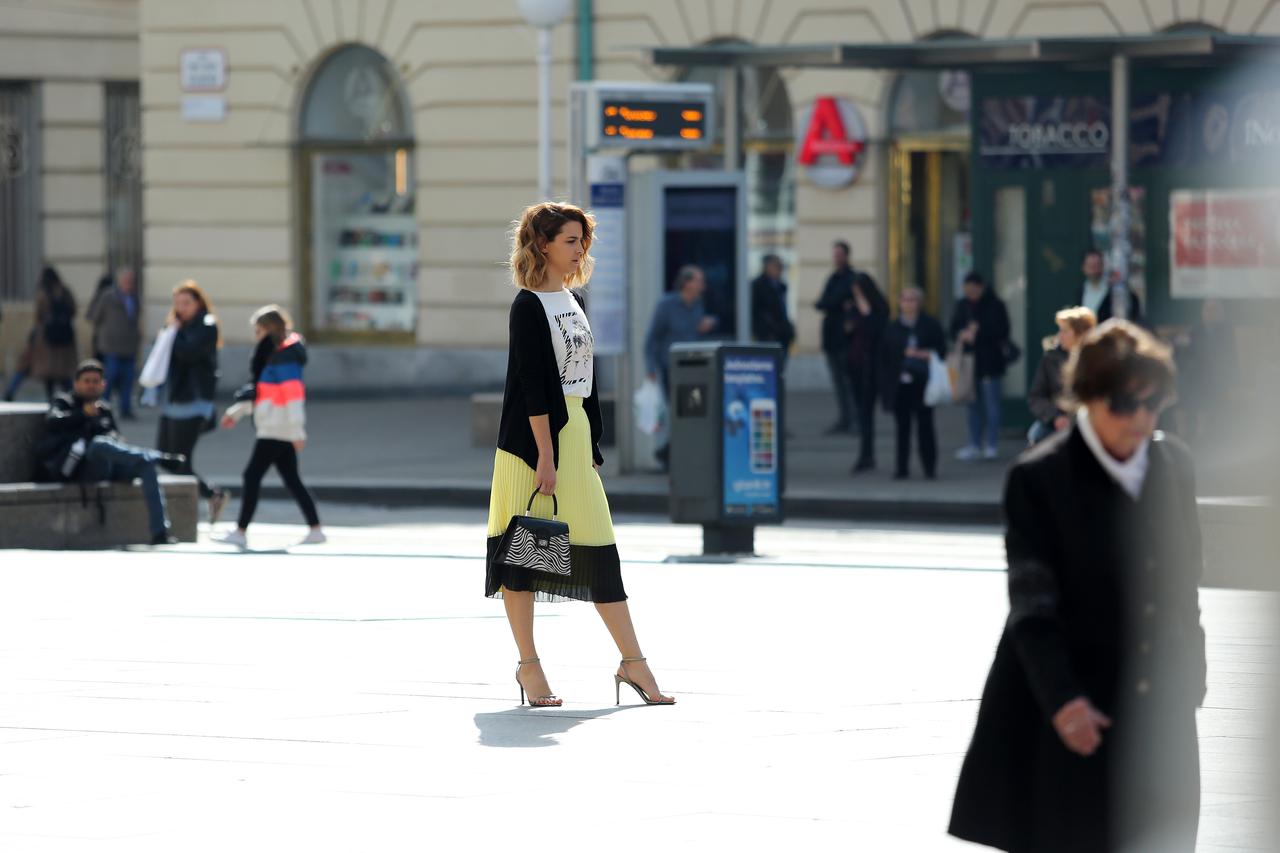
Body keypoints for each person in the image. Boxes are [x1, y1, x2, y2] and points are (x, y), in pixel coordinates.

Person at [950, 320, 1205, 852]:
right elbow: (1032, 605)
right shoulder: (1039, 478)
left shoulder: (1173, 465)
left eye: (1152, 403)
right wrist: (1065, 702)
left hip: (1156, 702)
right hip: (1070, 700)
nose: (1140, 418)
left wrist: (1190, 676)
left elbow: (1185, 584)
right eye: (1123, 405)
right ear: (1087, 399)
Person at [485, 201, 674, 708]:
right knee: (524, 554)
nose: (579, 249)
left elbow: (585, 380)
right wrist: (546, 456)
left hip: (572, 436)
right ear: (543, 244)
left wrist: (589, 444)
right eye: (571, 240)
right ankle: (530, 667)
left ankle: (633, 661)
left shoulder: (573, 300)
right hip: (533, 444)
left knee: (598, 552)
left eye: (582, 240)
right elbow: (533, 388)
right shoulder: (528, 306)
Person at [35, 360, 183, 546]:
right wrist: (82, 414)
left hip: (108, 466)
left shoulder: (104, 408)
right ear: (76, 383)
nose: (91, 385)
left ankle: (160, 533)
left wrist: (115, 440)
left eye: (95, 381)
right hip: (77, 469)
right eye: (86, 381)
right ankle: (158, 456)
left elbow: (116, 436)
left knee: (146, 466)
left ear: (103, 384)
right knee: (97, 444)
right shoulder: (65, 402)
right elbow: (52, 421)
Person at [215, 305, 324, 548]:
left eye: (258, 330)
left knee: (251, 476)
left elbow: (293, 397)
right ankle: (315, 529)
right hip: (277, 425)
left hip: (277, 428)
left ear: (268, 329)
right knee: (292, 479)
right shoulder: (276, 355)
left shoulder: (283, 357)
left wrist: (297, 432)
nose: (256, 336)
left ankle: (241, 531)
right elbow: (264, 392)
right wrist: (237, 412)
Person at [153, 280, 228, 523]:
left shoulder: (206, 325)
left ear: (199, 303)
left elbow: (189, 352)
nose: (181, 308)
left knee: (180, 460)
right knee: (165, 456)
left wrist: (171, 334)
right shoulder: (177, 327)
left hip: (193, 401)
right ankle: (210, 495)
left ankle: (201, 501)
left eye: (186, 303)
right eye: (177, 304)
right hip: (174, 400)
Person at [643, 264, 717, 468]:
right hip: (671, 368)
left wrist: (707, 325)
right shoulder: (667, 304)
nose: (702, 285)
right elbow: (652, 339)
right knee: (678, 412)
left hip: (694, 368)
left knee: (691, 412)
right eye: (698, 281)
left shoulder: (698, 304)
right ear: (687, 283)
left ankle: (671, 453)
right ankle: (668, 453)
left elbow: (696, 331)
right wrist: (650, 368)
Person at [879, 287, 946, 480]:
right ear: (899, 303)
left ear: (919, 303)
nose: (908, 304)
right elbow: (884, 357)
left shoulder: (930, 324)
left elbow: (941, 349)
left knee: (926, 426)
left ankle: (929, 467)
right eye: (905, 300)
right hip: (900, 384)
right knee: (902, 427)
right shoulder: (892, 328)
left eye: (912, 300)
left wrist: (926, 354)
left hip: (924, 382)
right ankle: (901, 468)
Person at [951, 271, 1012, 461]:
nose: (971, 293)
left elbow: (1002, 330)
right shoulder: (962, 305)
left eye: (974, 289)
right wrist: (962, 334)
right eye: (968, 289)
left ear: (981, 287)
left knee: (992, 405)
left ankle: (991, 444)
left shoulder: (995, 305)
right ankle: (974, 443)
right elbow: (952, 327)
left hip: (990, 362)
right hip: (969, 363)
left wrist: (979, 332)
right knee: (972, 404)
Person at [6, 266, 78, 401]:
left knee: (34, 369)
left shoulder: (43, 293)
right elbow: (73, 310)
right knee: (63, 374)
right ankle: (70, 397)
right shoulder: (65, 291)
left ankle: (50, 398)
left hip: (45, 340)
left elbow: (38, 316)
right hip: (64, 339)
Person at [1027, 306, 1097, 445]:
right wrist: (1056, 417)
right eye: (1060, 330)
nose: (1059, 336)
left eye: (1065, 331)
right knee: (1036, 435)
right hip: (1055, 422)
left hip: (1090, 424)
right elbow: (1036, 397)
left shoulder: (1098, 360)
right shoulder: (1050, 359)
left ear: (1081, 334)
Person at [844, 266, 889, 473]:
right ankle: (866, 454)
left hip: (872, 366)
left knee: (867, 411)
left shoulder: (878, 307)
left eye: (859, 291)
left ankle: (866, 454)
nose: (857, 295)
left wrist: (866, 312)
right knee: (861, 411)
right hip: (856, 363)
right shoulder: (852, 307)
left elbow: (876, 330)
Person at [86, 266, 141, 420]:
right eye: (126, 280)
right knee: (109, 378)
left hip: (129, 347)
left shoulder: (135, 298)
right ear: (120, 281)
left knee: (128, 380)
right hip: (111, 347)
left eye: (131, 280)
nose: (129, 283)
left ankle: (125, 409)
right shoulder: (108, 296)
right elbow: (94, 316)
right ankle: (103, 408)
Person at [814, 240, 857, 434]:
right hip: (831, 338)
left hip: (846, 340)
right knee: (838, 383)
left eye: (840, 254)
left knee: (849, 382)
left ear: (847, 256)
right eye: (835, 254)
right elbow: (822, 303)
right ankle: (844, 419)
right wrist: (836, 302)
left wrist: (832, 302)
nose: (837, 258)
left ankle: (855, 421)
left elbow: (829, 301)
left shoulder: (852, 278)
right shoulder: (833, 278)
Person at [750, 253, 795, 366]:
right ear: (767, 267)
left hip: (783, 334)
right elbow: (757, 311)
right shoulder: (757, 285)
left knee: (780, 368)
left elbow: (783, 311)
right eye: (777, 266)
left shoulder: (780, 286)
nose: (780, 269)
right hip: (768, 335)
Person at [1078, 247, 1142, 325]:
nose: (1094, 270)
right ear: (1083, 267)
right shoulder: (1080, 291)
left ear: (1103, 266)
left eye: (1097, 265)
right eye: (1091, 266)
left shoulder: (1114, 289)